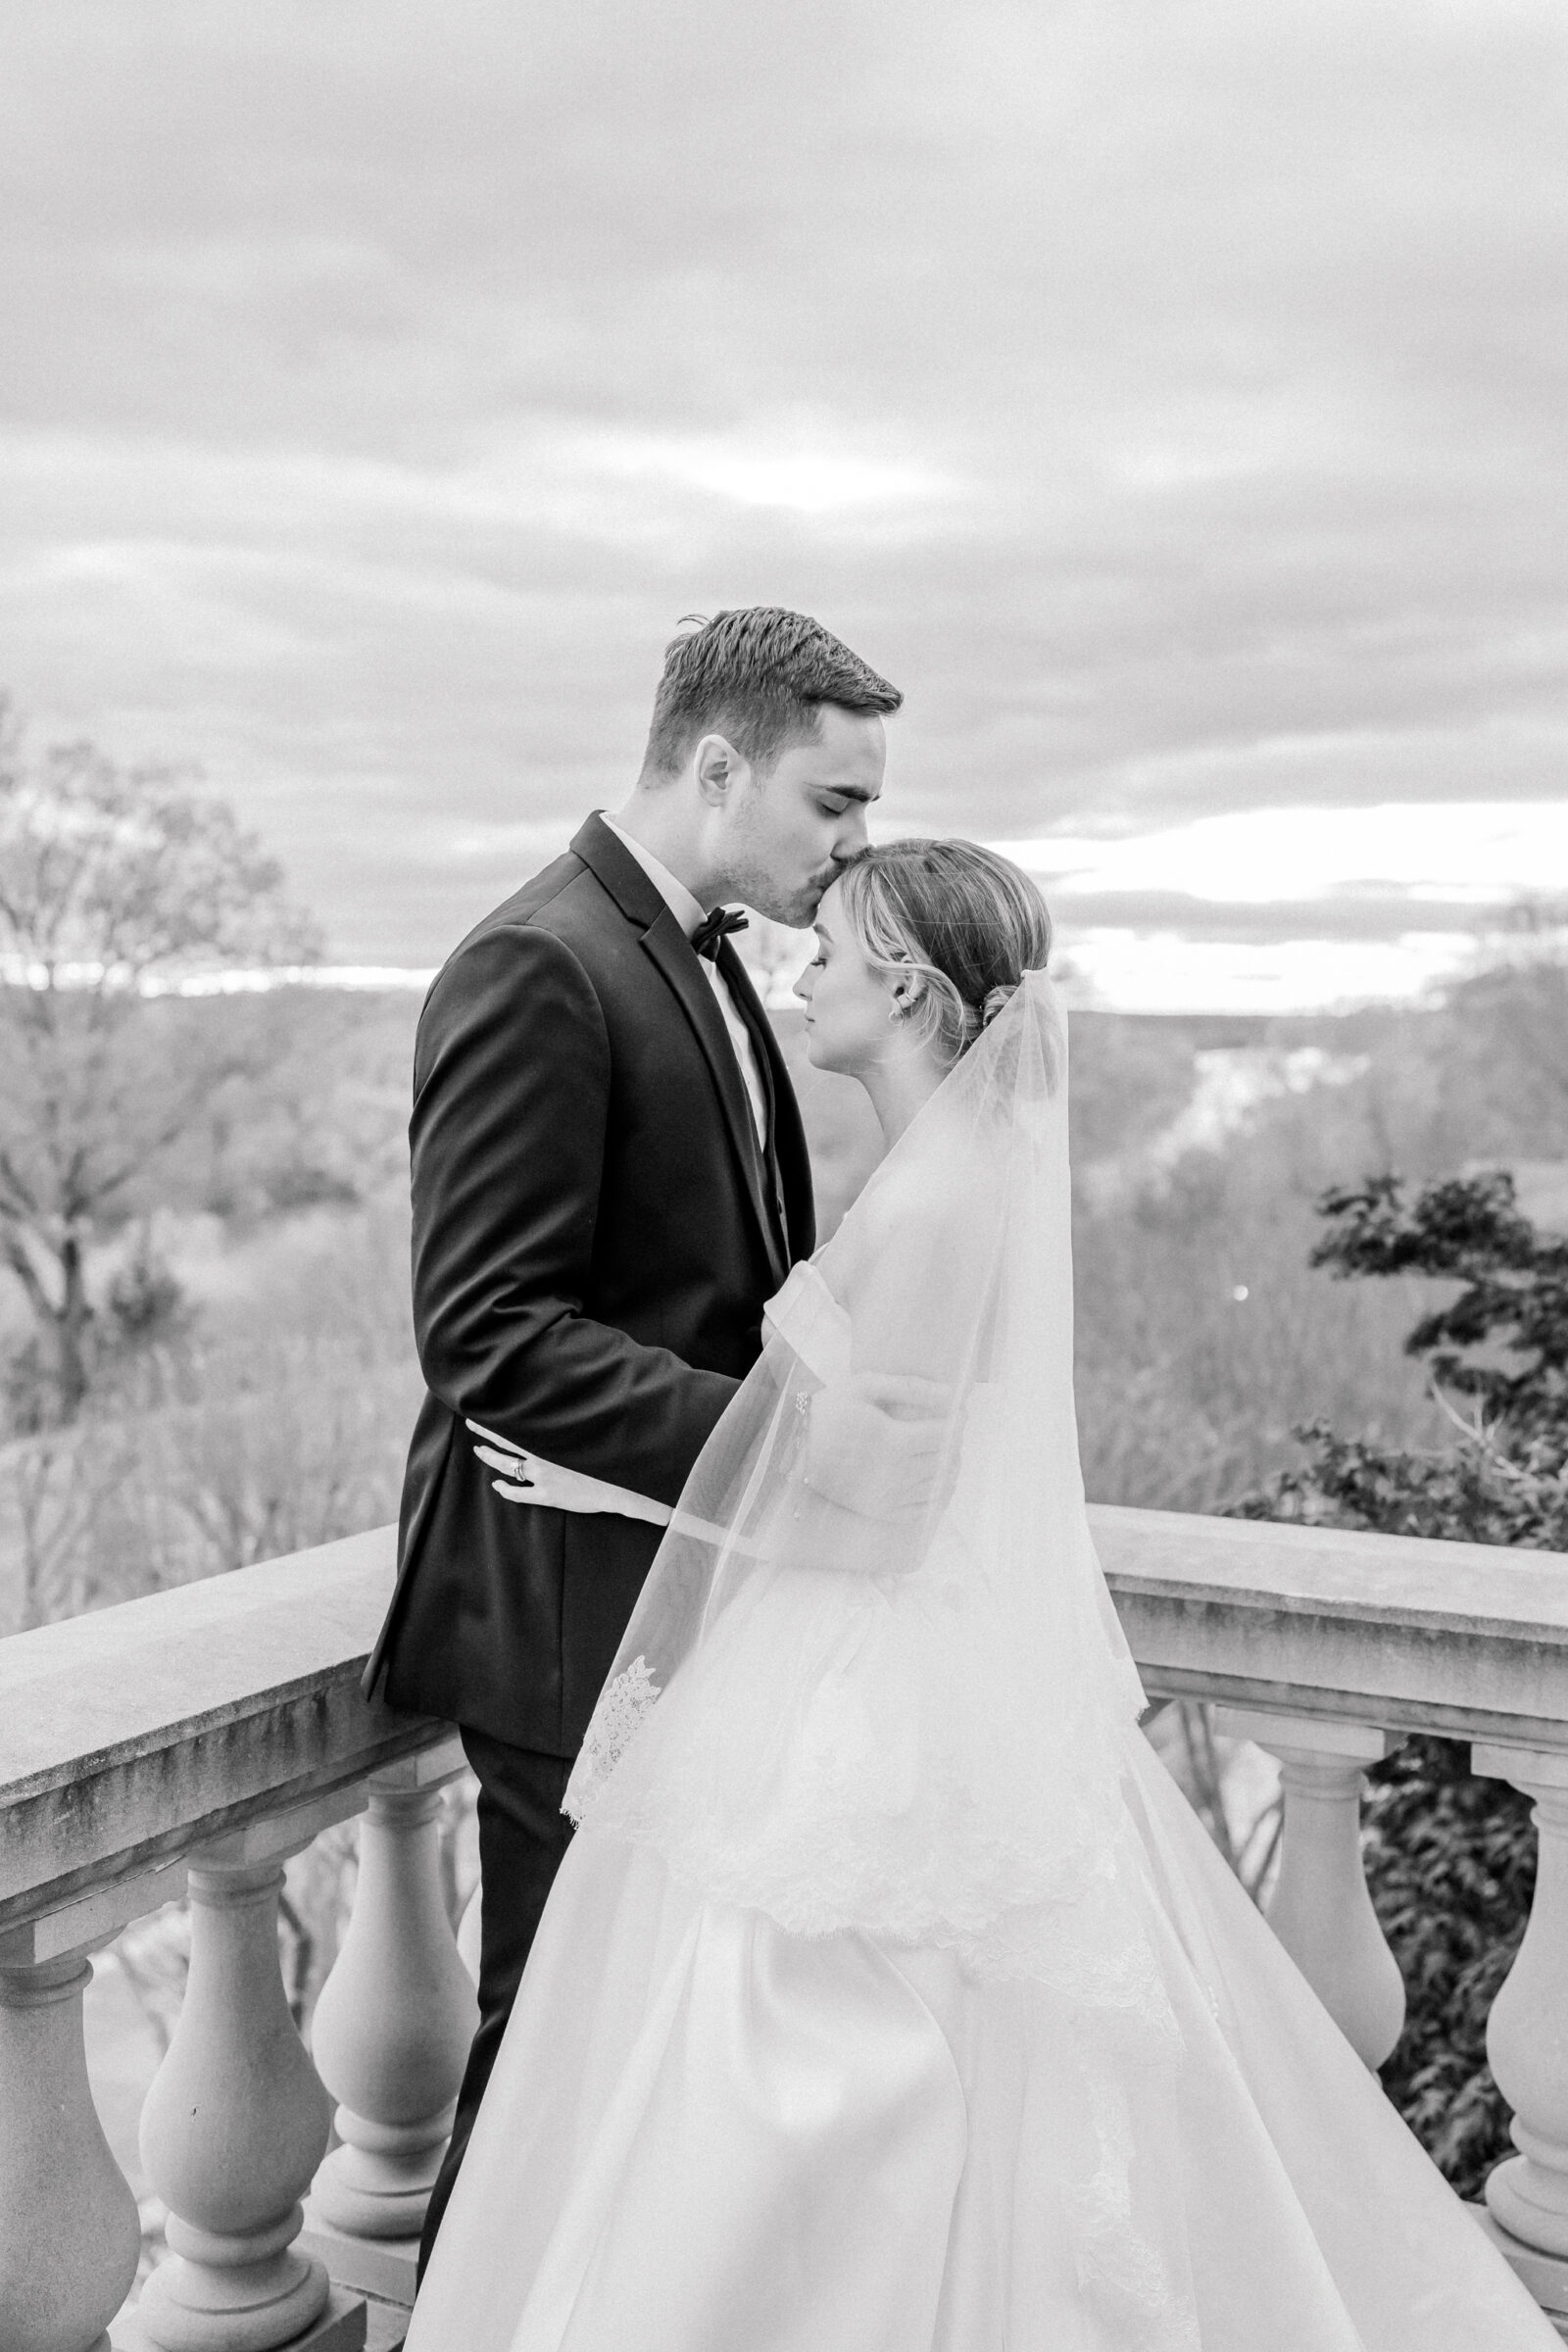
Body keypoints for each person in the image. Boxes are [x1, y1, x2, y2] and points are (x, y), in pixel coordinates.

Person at [404, 836, 1560, 2351]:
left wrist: (612, 1483)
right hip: (907, 1665)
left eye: (832, 951)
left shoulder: (931, 1203)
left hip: (863, 1689)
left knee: (796, 2071)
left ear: (901, 983)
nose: (801, 968)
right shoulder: (964, 1170)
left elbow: (872, 1504)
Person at [361, 607, 916, 2273]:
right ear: (718, 762)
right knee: (549, 2057)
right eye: (834, 804)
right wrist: (795, 1453)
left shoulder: (710, 963)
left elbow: (723, 1290)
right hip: (562, 1615)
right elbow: (489, 1333)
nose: (856, 844)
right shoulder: (542, 961)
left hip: (684, 1605)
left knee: (653, 2067)